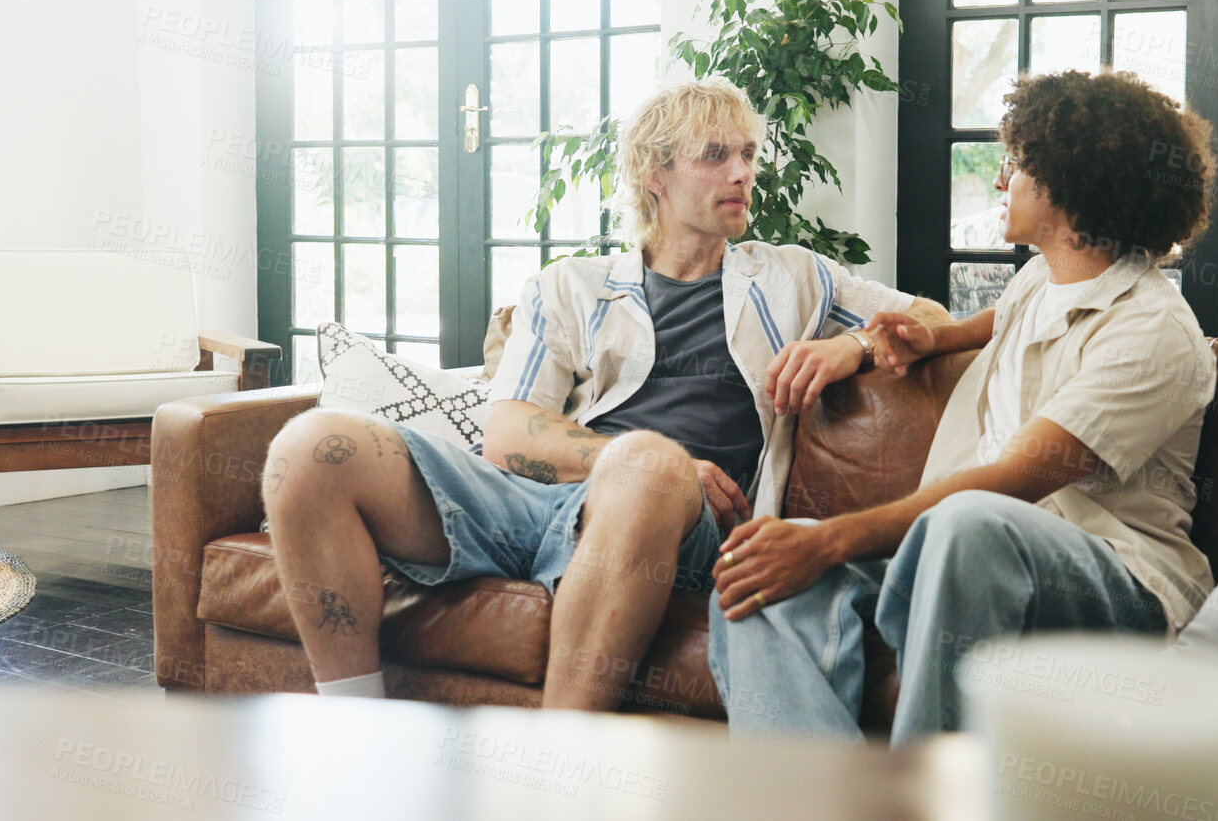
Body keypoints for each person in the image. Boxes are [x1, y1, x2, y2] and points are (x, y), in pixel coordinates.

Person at [261, 77, 948, 708]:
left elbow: (933, 318)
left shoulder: (794, 276)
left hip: (675, 528)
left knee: (648, 467)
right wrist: (628, 461)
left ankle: (557, 770)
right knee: (312, 445)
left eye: (747, 153)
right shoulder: (569, 286)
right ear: (655, 174)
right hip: (536, 504)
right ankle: (354, 723)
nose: (742, 172)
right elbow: (508, 433)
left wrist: (854, 345)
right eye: (715, 155)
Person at [708, 70, 1218, 742]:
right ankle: (811, 787)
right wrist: (935, 338)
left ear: (1070, 188)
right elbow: (1001, 320)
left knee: (969, 521)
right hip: (963, 553)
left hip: (1118, 579)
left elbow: (1011, 482)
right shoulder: (1041, 278)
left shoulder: (1152, 331)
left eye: (1018, 165)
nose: (1003, 179)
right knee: (753, 571)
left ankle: (927, 786)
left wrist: (830, 540)